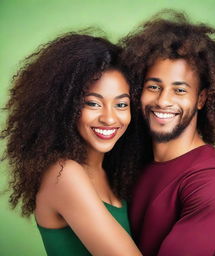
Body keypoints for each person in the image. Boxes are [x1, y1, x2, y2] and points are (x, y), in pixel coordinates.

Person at [120, 10, 215, 256]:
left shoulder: (212, 182)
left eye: (179, 90)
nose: (163, 101)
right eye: (153, 86)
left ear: (201, 99)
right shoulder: (134, 161)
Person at [1, 30, 143, 255]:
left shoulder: (113, 172)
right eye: (93, 103)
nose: (109, 118)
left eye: (121, 105)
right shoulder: (64, 174)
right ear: (66, 107)